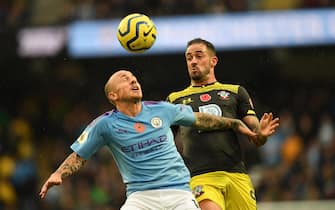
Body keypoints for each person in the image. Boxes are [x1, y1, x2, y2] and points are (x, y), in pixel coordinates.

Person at [39, 70, 261, 210]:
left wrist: (235, 123)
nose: (133, 81)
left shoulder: (162, 110)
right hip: (141, 197)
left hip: (179, 193)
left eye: (134, 78)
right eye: (125, 79)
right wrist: (59, 173)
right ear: (112, 96)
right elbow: (79, 156)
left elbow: (200, 119)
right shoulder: (104, 124)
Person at [167, 38, 280, 210]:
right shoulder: (175, 99)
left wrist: (261, 135)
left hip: (236, 175)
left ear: (213, 61)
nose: (193, 61)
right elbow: (165, 141)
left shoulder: (235, 92)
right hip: (200, 176)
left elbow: (256, 137)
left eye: (199, 56)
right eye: (189, 58)